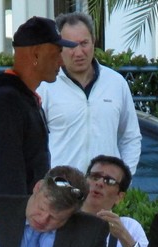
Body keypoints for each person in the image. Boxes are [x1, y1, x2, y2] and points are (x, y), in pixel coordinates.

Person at [0, 16, 76, 200]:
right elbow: (8, 175)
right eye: (57, 52)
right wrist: (21, 214)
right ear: (36, 54)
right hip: (11, 213)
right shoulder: (6, 100)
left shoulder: (22, 97)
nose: (61, 62)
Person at [39, 12, 142, 175]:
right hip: (61, 187)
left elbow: (131, 137)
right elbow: (33, 143)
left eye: (84, 43)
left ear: (94, 41)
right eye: (71, 45)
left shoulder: (116, 83)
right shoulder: (46, 86)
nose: (79, 52)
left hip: (105, 186)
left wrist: (123, 179)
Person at [81, 155, 148, 247]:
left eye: (109, 181)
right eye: (94, 176)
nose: (99, 183)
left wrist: (124, 236)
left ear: (119, 197)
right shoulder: (65, 221)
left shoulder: (129, 226)